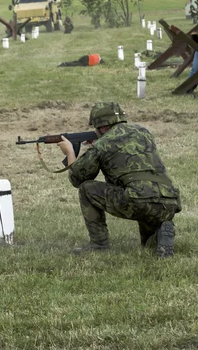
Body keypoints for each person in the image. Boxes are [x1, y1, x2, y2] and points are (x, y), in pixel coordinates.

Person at [57, 102, 181, 257]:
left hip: (138, 200)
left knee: (86, 189)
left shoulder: (103, 143)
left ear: (101, 127)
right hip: (168, 202)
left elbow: (77, 179)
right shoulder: (144, 132)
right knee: (148, 244)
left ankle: (99, 244)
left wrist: (69, 153)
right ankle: (162, 232)